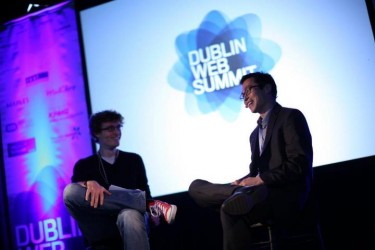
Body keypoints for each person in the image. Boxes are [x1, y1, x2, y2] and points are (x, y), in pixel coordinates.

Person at [188, 72, 313, 250]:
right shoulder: (254, 135)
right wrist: (243, 181)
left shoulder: (290, 117)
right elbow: (255, 173)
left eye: (249, 90)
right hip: (257, 196)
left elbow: (299, 164)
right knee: (196, 187)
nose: (245, 97)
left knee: (229, 208)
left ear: (267, 88)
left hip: (284, 195)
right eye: (242, 94)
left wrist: (260, 180)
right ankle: (240, 192)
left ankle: (242, 194)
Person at [63, 110, 177, 250]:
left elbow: (145, 190)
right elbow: (76, 195)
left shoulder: (134, 160)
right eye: (110, 128)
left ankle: (141, 204)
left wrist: (150, 209)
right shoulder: (84, 165)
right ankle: (142, 203)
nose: (116, 132)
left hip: (132, 220)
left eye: (118, 127)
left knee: (129, 214)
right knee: (69, 191)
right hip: (100, 223)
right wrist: (87, 183)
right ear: (96, 133)